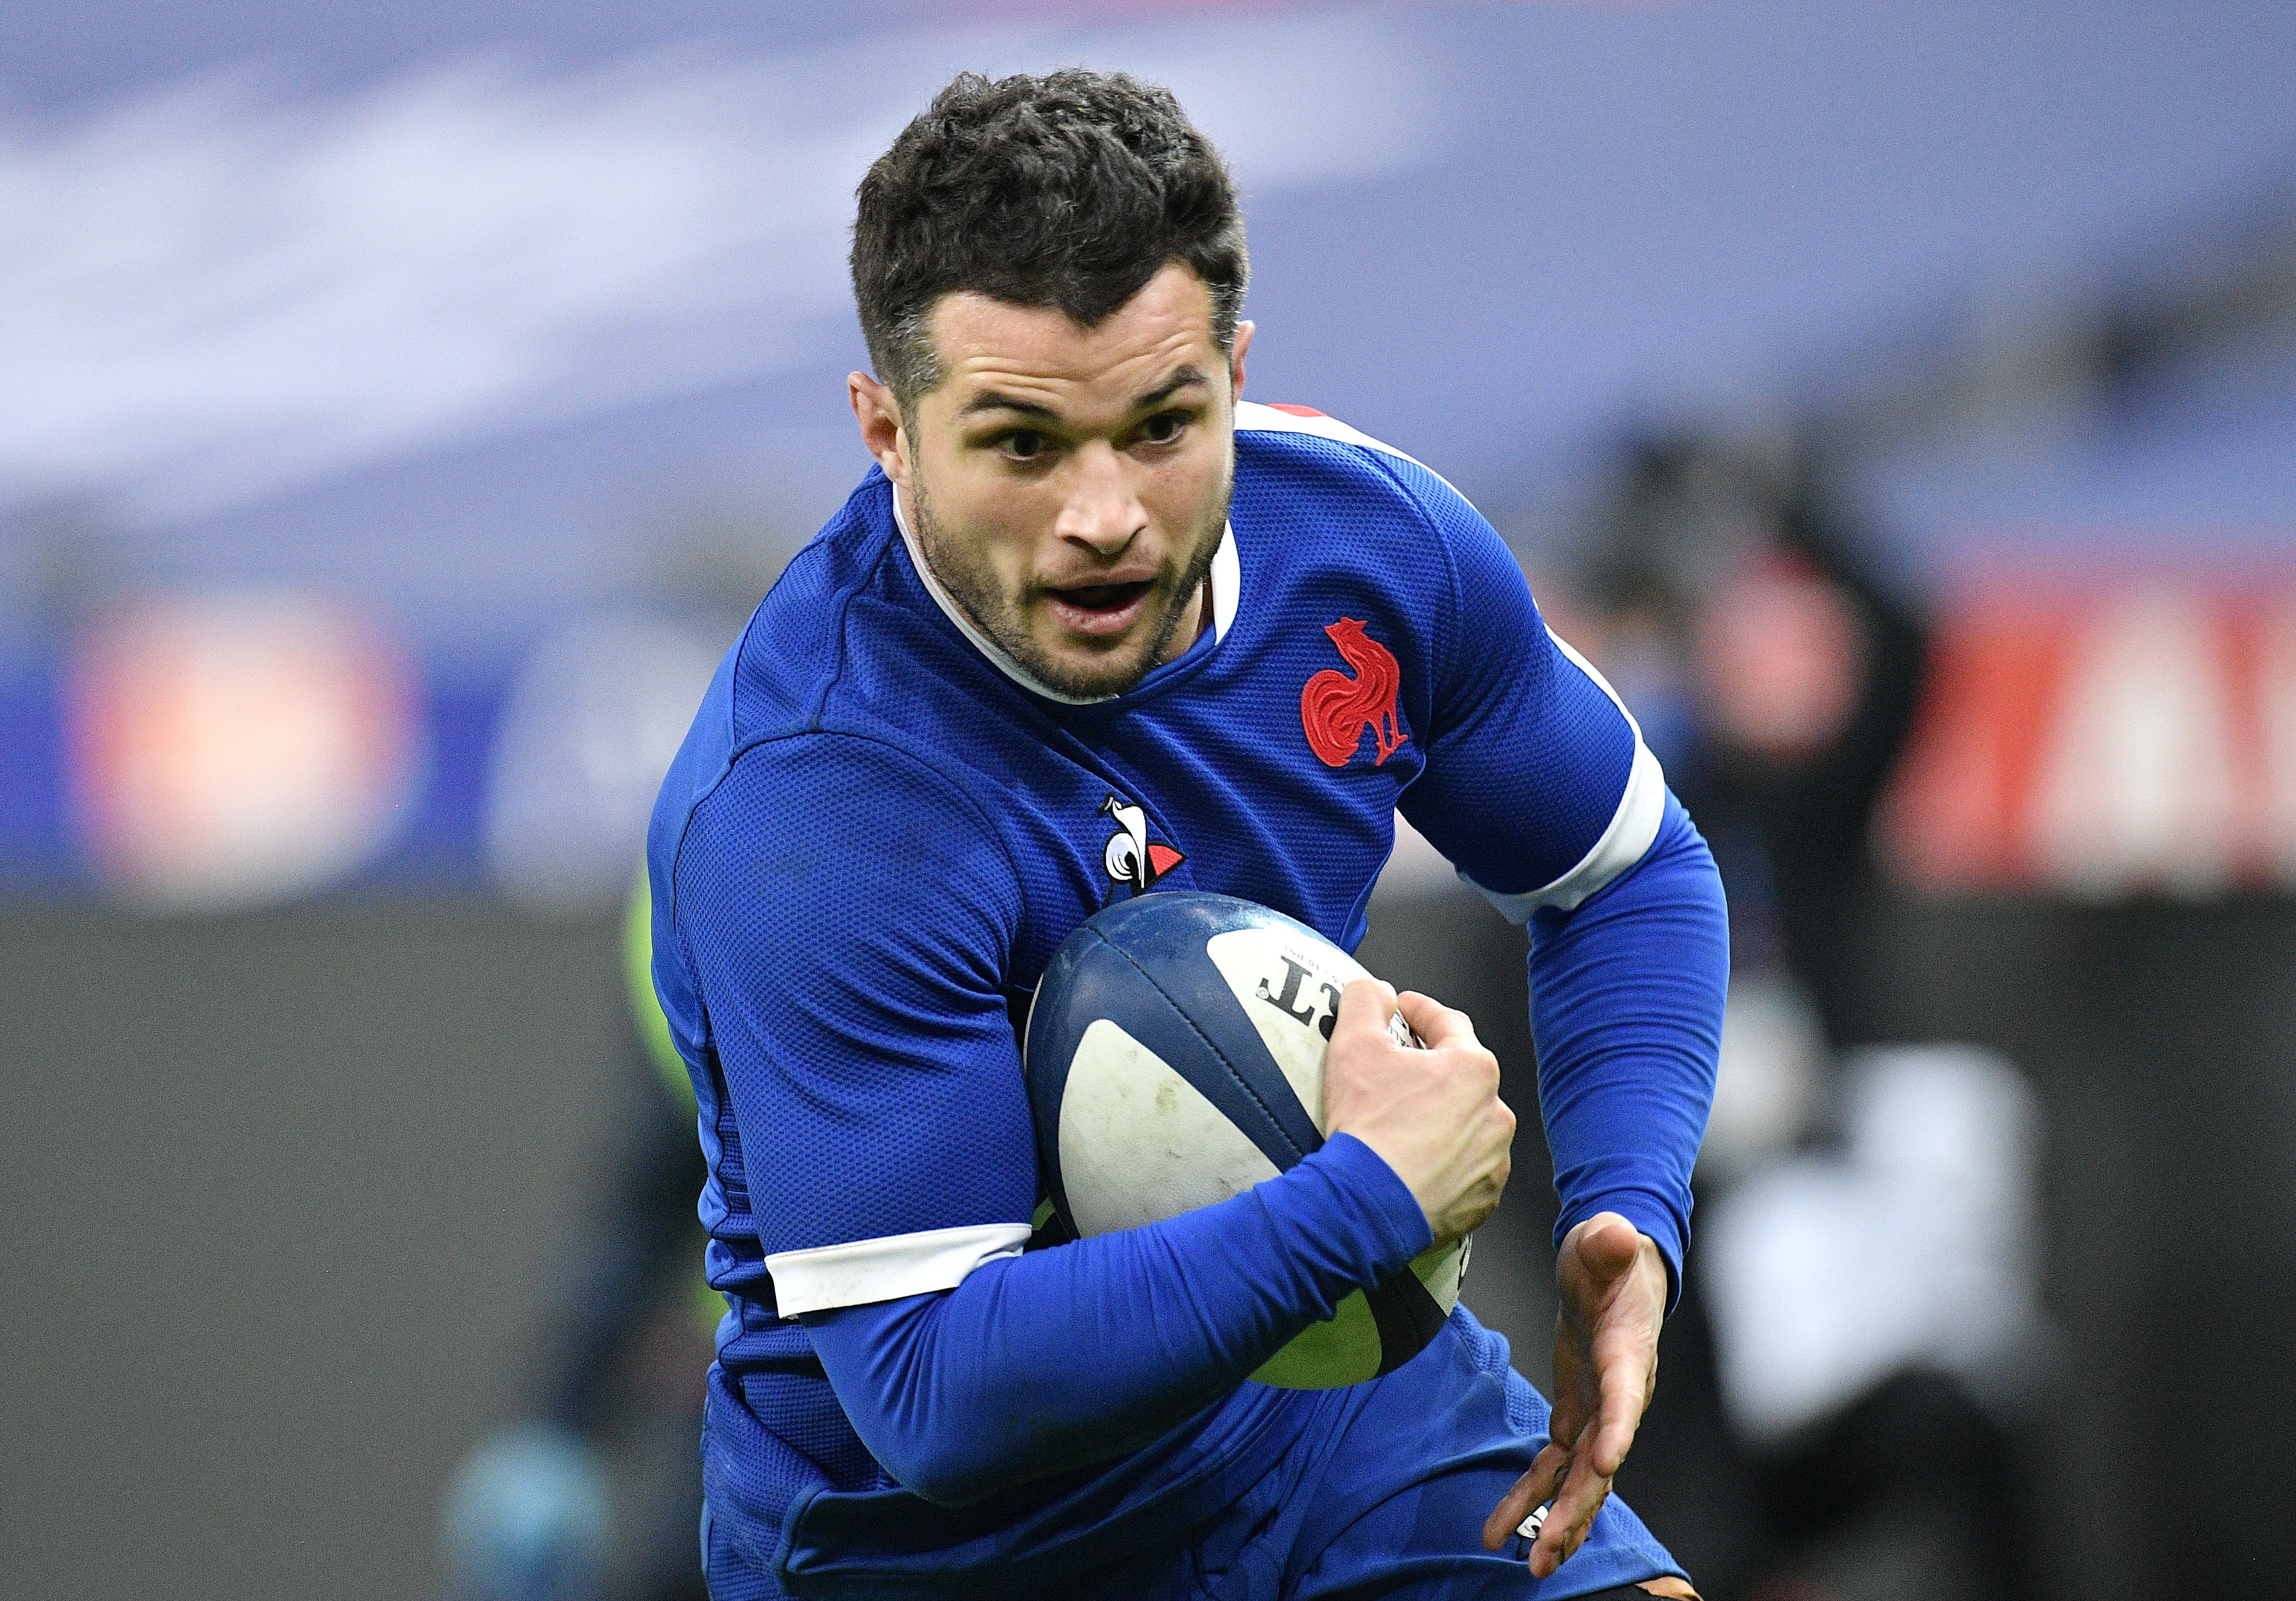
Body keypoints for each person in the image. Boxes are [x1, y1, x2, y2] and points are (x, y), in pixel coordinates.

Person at [647, 70, 1727, 1600]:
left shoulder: (1368, 543)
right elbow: (933, 1387)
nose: (1106, 511)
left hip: (1323, 1412)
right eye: (1022, 445)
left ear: (1233, 369)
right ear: (884, 428)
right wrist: (1367, 1195)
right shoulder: (816, 798)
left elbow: (1626, 871)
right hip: (947, 1542)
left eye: (1161, 424)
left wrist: (1627, 1197)